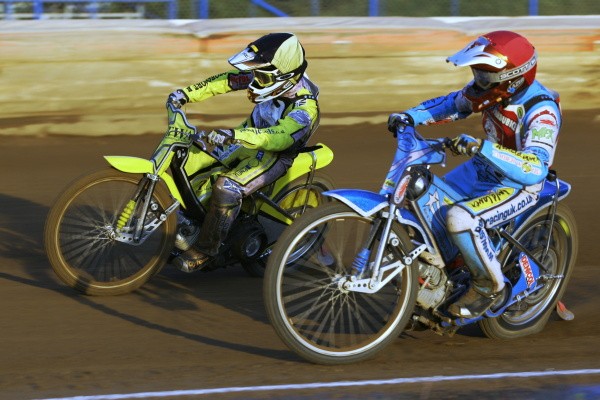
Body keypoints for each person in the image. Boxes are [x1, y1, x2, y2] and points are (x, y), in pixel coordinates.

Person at [387, 30, 561, 318]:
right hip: (483, 168)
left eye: (485, 75)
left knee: (460, 218)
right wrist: (409, 116)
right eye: (477, 73)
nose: (478, 80)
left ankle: (488, 286)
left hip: (518, 184)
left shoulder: (542, 111)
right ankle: (446, 269)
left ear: (512, 78)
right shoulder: (492, 91)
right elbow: (453, 104)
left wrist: (482, 148)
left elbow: (534, 167)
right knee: (423, 198)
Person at [167, 32, 320, 273]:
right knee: (193, 159)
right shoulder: (270, 77)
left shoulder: (305, 109)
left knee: (225, 188)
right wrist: (187, 94)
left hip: (273, 156)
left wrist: (237, 135)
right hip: (245, 138)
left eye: (261, 76)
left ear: (284, 77)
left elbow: (277, 138)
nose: (254, 80)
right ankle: (191, 224)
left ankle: (206, 250)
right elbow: (228, 80)